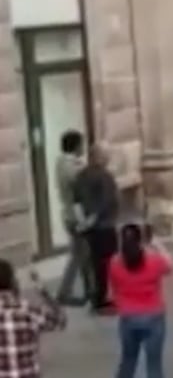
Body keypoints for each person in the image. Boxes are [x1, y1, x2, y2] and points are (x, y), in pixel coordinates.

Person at [108, 224, 173, 378]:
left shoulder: (115, 263)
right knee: (154, 364)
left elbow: (113, 290)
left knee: (128, 360)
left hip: (128, 318)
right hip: (153, 316)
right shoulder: (153, 261)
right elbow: (170, 265)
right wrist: (157, 244)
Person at [72, 143, 119, 314]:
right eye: (106, 154)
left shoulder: (80, 176)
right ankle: (103, 298)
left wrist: (83, 221)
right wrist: (93, 219)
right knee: (108, 263)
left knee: (94, 263)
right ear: (98, 156)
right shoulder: (105, 176)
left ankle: (96, 297)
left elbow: (76, 201)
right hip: (104, 226)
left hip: (88, 227)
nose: (108, 157)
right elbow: (106, 201)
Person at [55, 130, 93, 306]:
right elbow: (79, 182)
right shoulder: (69, 166)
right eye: (81, 144)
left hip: (71, 214)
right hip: (75, 216)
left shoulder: (62, 163)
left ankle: (88, 289)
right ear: (76, 146)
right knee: (79, 255)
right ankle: (65, 292)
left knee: (82, 254)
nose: (83, 148)